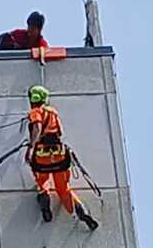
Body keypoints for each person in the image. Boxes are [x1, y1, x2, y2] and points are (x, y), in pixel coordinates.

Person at [25, 85, 99, 230]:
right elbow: (59, 132)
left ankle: (46, 209)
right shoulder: (54, 113)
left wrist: (30, 147)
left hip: (42, 157)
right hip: (59, 155)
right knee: (63, 189)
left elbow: (37, 128)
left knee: (43, 184)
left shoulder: (35, 112)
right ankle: (82, 213)